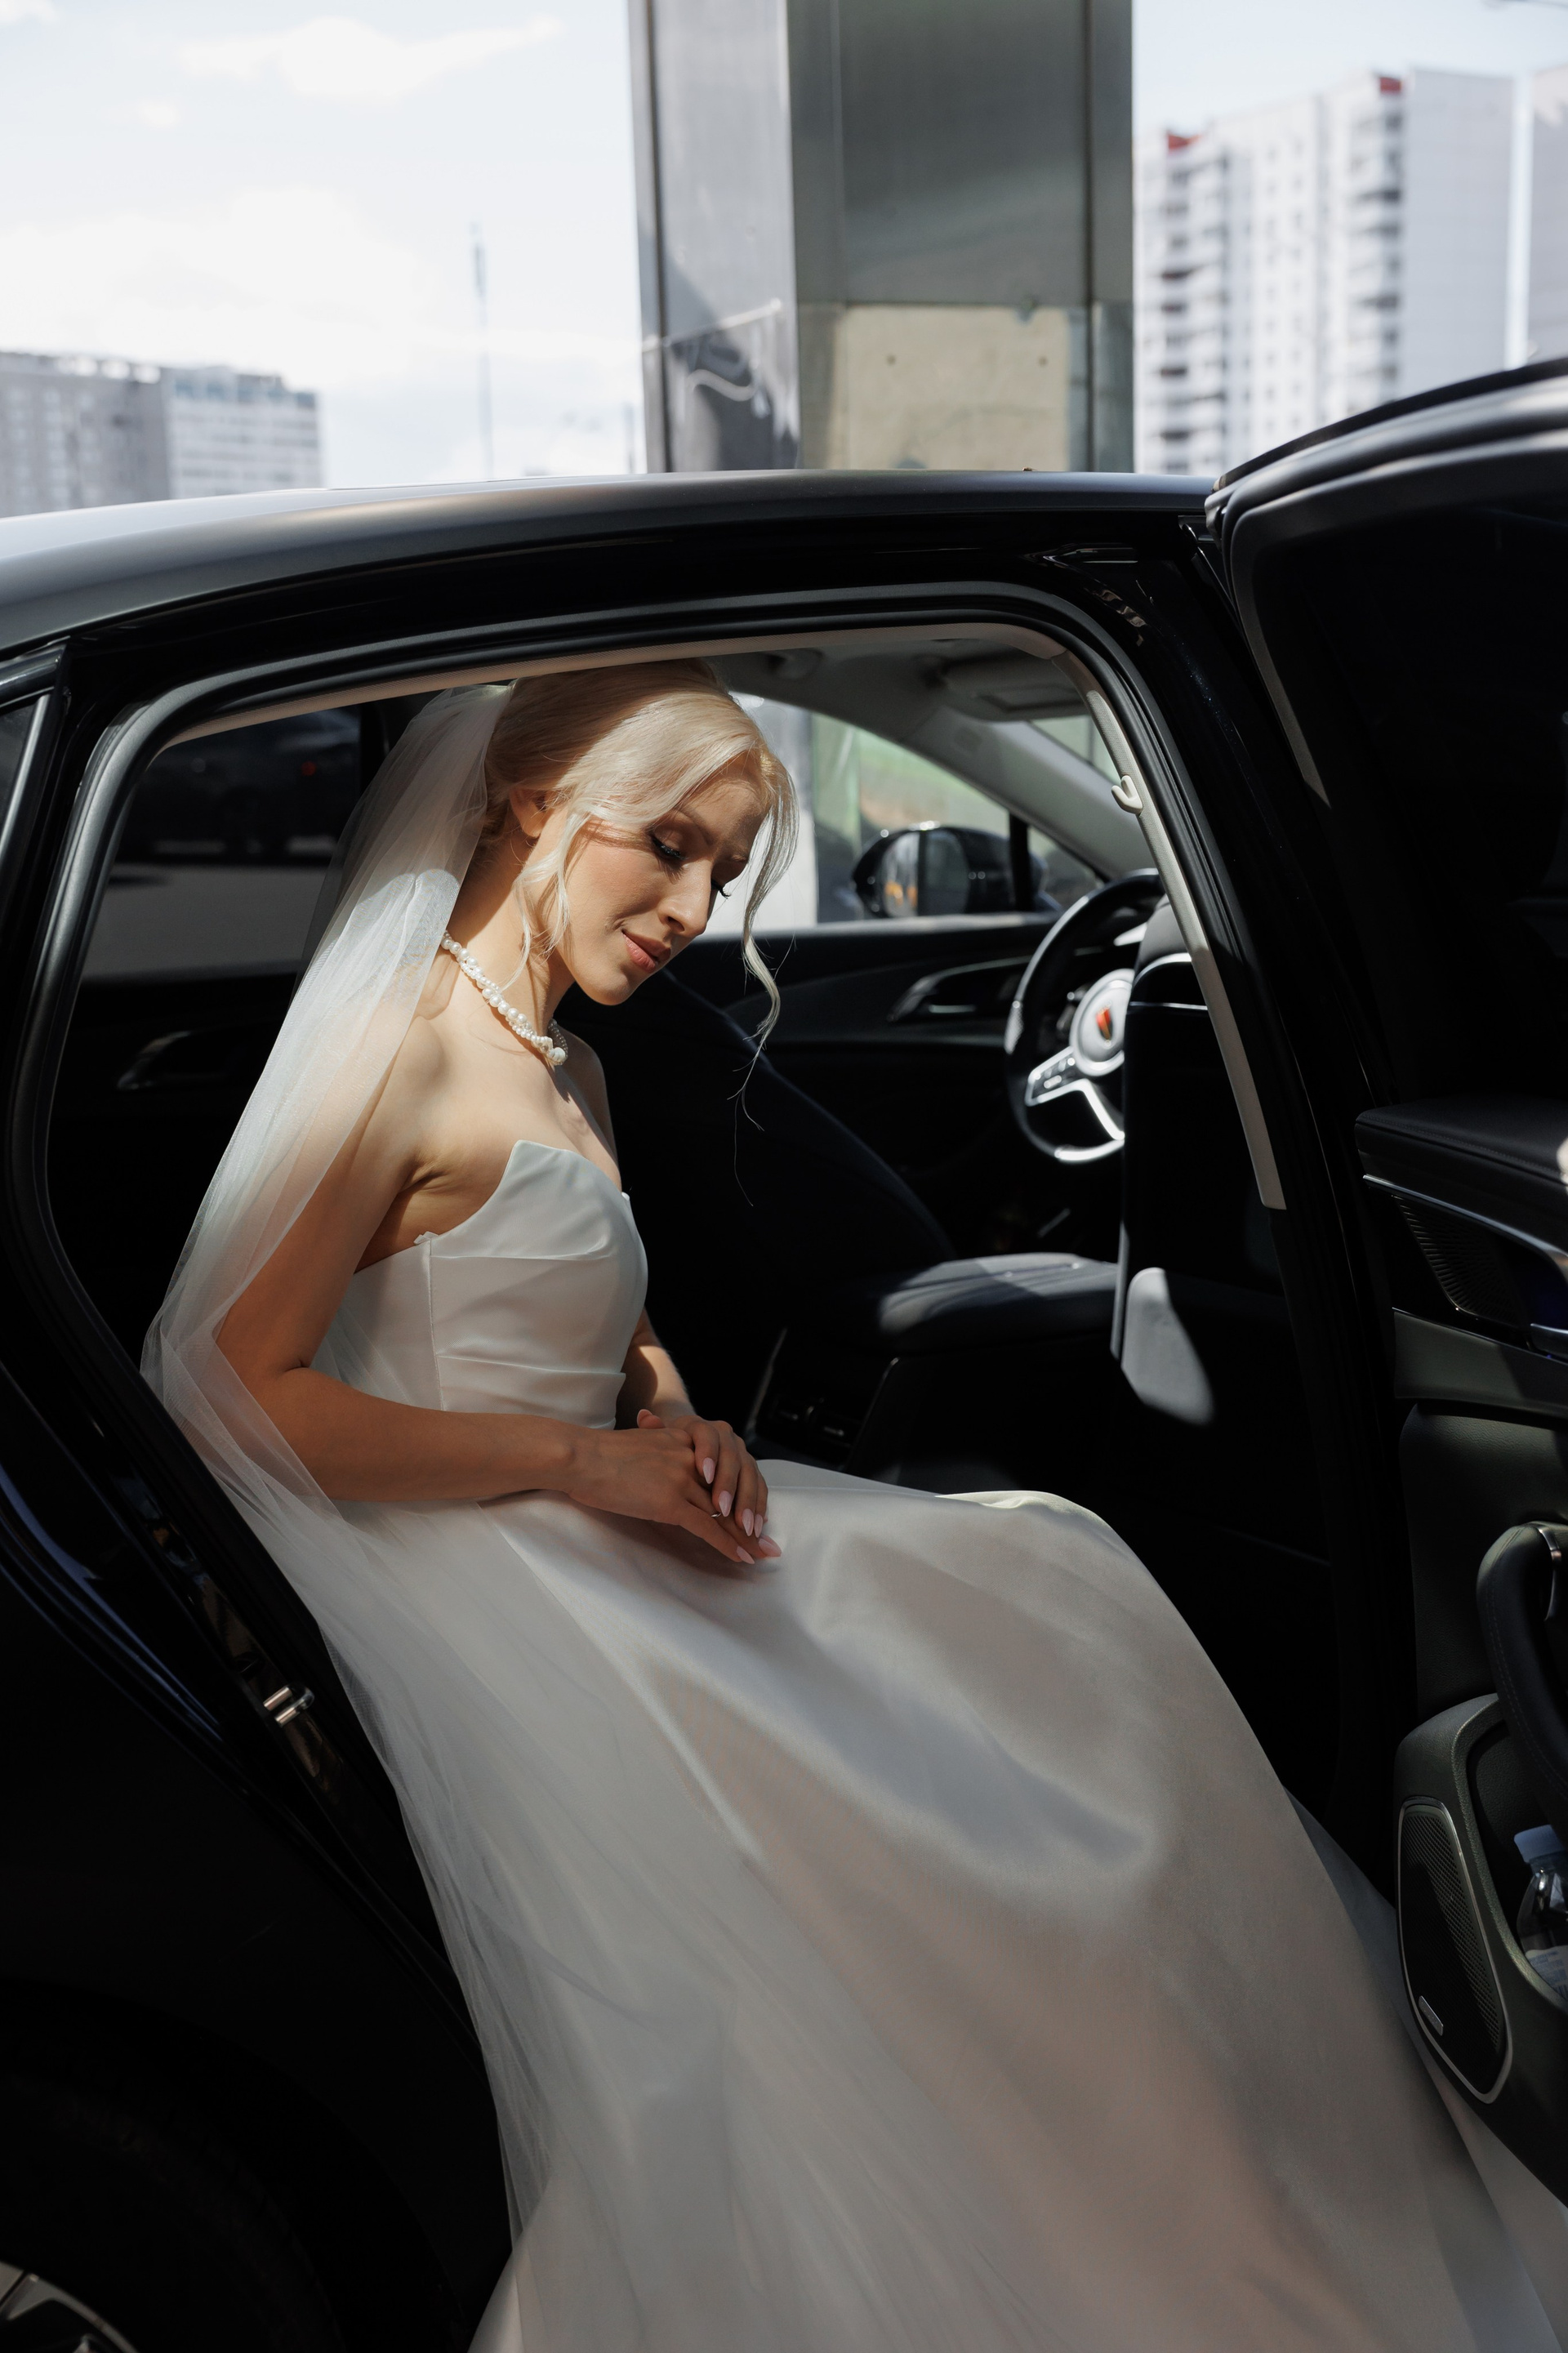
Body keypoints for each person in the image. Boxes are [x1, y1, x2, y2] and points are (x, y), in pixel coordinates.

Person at [145, 665, 1567, 2352]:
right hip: (477, 1567)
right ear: (535, 803)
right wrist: (581, 1464)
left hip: (603, 1514)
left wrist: (678, 1417)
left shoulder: (566, 1061)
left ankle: (1219, 2178)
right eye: (669, 848)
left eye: (726, 874)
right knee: (978, 1775)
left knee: (1048, 1581)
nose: (694, 909)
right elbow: (231, 1393)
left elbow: (604, 1321)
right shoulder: (398, 1055)